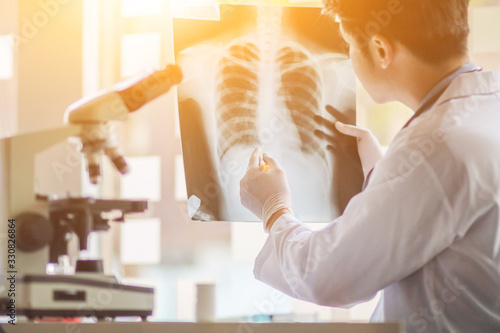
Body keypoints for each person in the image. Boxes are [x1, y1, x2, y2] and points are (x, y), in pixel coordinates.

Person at [239, 0, 500, 332]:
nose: (348, 55)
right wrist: (382, 172)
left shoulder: (436, 146)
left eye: (348, 44)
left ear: (380, 49)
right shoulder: (488, 106)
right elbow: (440, 214)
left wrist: (274, 210)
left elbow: (329, 277)